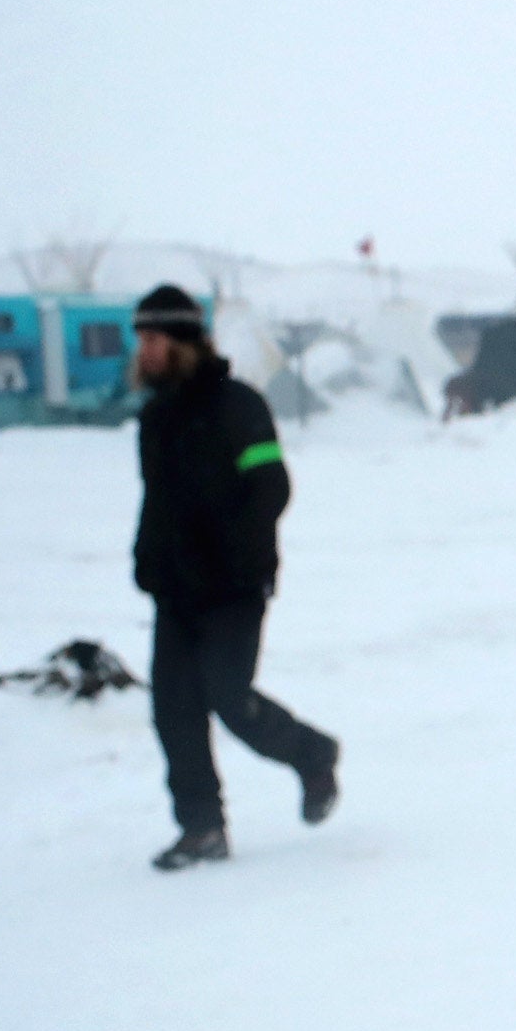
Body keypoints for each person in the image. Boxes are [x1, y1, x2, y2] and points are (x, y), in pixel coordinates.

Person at [130, 285, 339, 870]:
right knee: (173, 708)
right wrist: (148, 557)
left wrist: (231, 552)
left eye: (153, 340)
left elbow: (271, 485)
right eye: (140, 340)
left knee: (227, 697)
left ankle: (313, 754)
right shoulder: (156, 416)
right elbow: (160, 502)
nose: (143, 352)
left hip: (232, 588)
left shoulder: (238, 406)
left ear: (185, 343)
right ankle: (201, 828)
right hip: (175, 590)